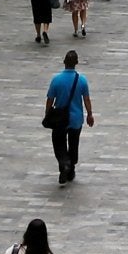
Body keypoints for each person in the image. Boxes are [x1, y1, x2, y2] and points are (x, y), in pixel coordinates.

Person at [44, 48, 93, 184]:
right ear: (76, 63)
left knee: (58, 142)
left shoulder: (57, 80)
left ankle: (64, 163)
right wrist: (90, 114)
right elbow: (86, 99)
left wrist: (47, 113)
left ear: (64, 62)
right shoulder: (81, 80)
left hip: (60, 119)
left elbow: (50, 99)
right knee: (74, 143)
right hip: (76, 119)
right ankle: (71, 168)